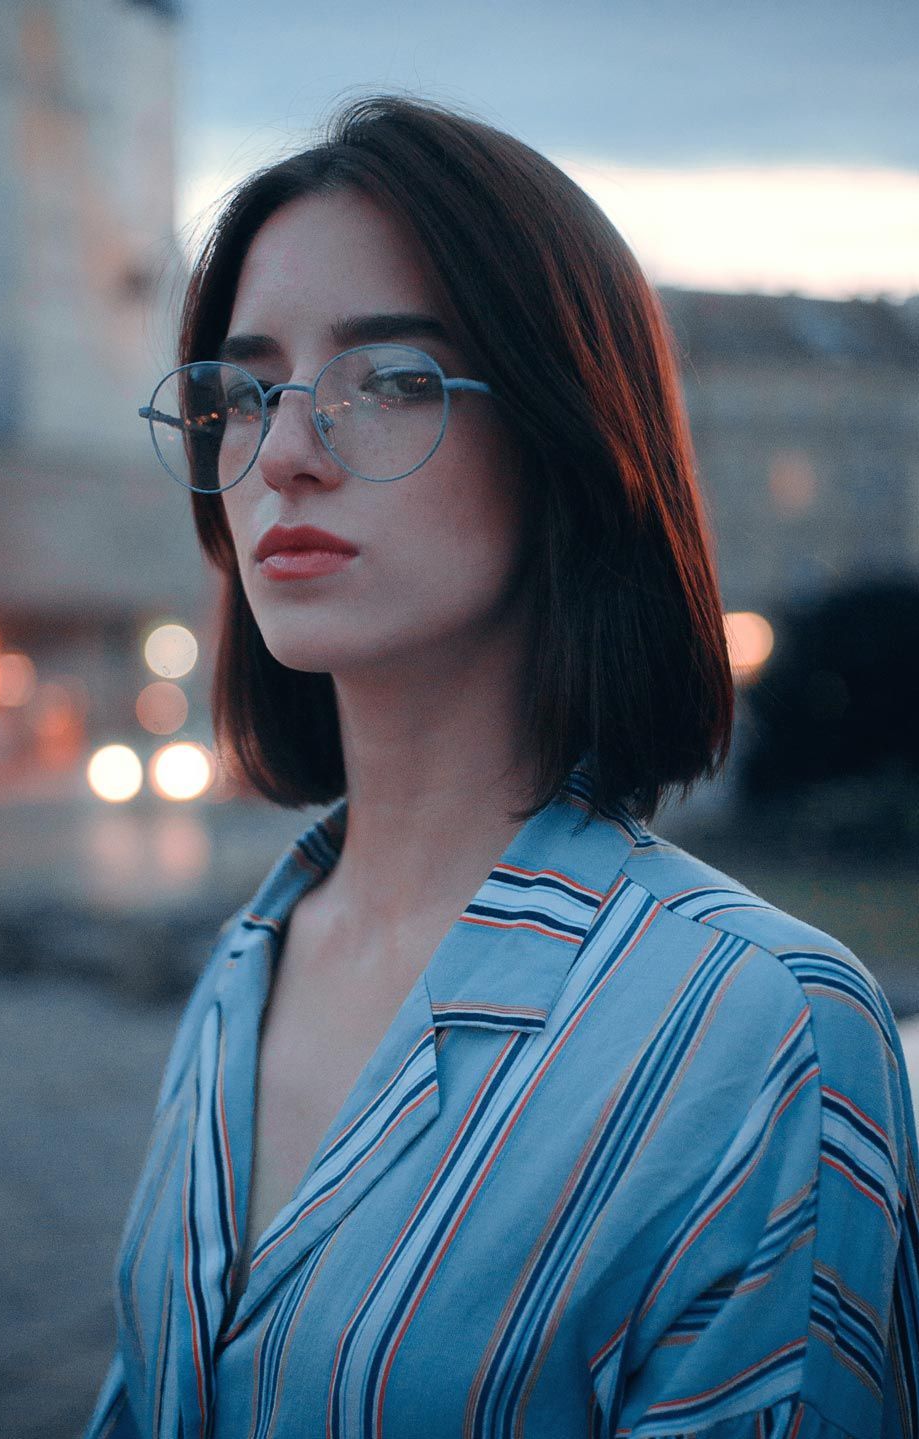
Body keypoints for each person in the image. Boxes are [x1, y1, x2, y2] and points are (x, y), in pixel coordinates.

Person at [85, 95, 919, 1439]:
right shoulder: (248, 965)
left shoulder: (763, 1030)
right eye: (241, 393)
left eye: (393, 380)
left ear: (568, 439)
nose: (283, 454)